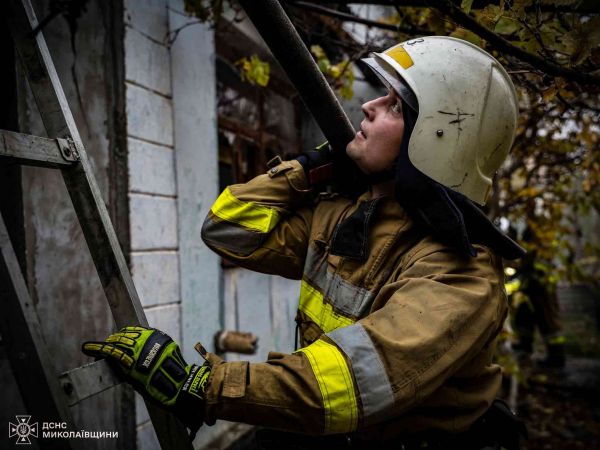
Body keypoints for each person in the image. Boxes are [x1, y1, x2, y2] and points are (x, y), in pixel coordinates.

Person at [83, 36, 527, 449]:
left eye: (395, 107)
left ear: (436, 140)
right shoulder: (345, 214)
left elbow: (349, 383)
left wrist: (199, 387)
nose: (370, 106)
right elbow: (228, 228)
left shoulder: (460, 277)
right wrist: (312, 167)